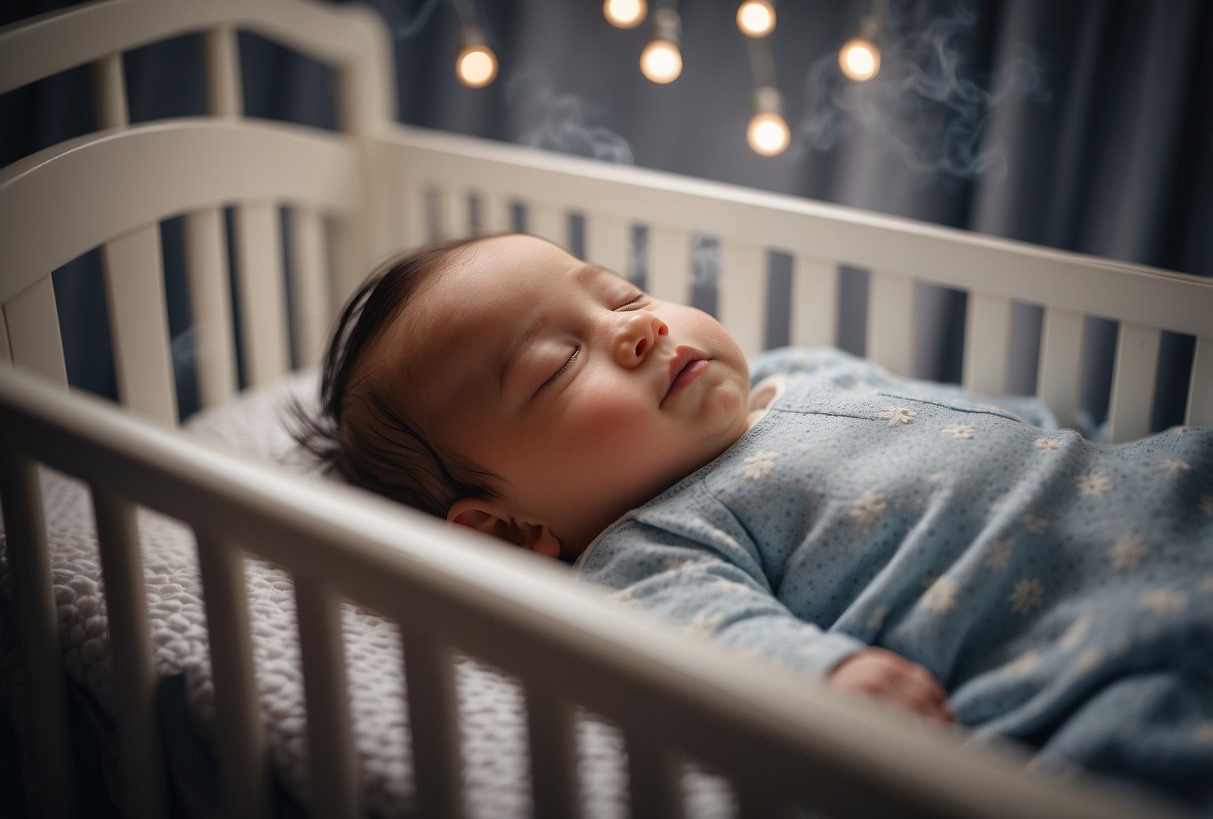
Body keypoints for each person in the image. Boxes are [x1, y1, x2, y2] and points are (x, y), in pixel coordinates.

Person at [295, 233, 1213, 812]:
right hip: (1086, 655)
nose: (639, 328)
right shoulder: (651, 545)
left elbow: (984, 416)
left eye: (621, 295)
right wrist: (831, 675)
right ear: (507, 531)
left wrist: (1076, 441)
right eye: (555, 366)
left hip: (1163, 487)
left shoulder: (802, 367)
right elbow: (719, 640)